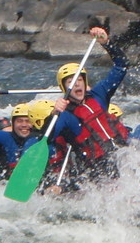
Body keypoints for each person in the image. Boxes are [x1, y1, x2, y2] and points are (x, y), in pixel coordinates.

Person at [51, 26, 130, 182]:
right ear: (64, 87)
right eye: (71, 82)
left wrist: (107, 44)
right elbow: (48, 136)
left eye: (79, 80)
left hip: (124, 153)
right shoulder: (66, 115)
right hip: (98, 169)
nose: (77, 84)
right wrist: (54, 113)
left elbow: (122, 66)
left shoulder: (99, 94)